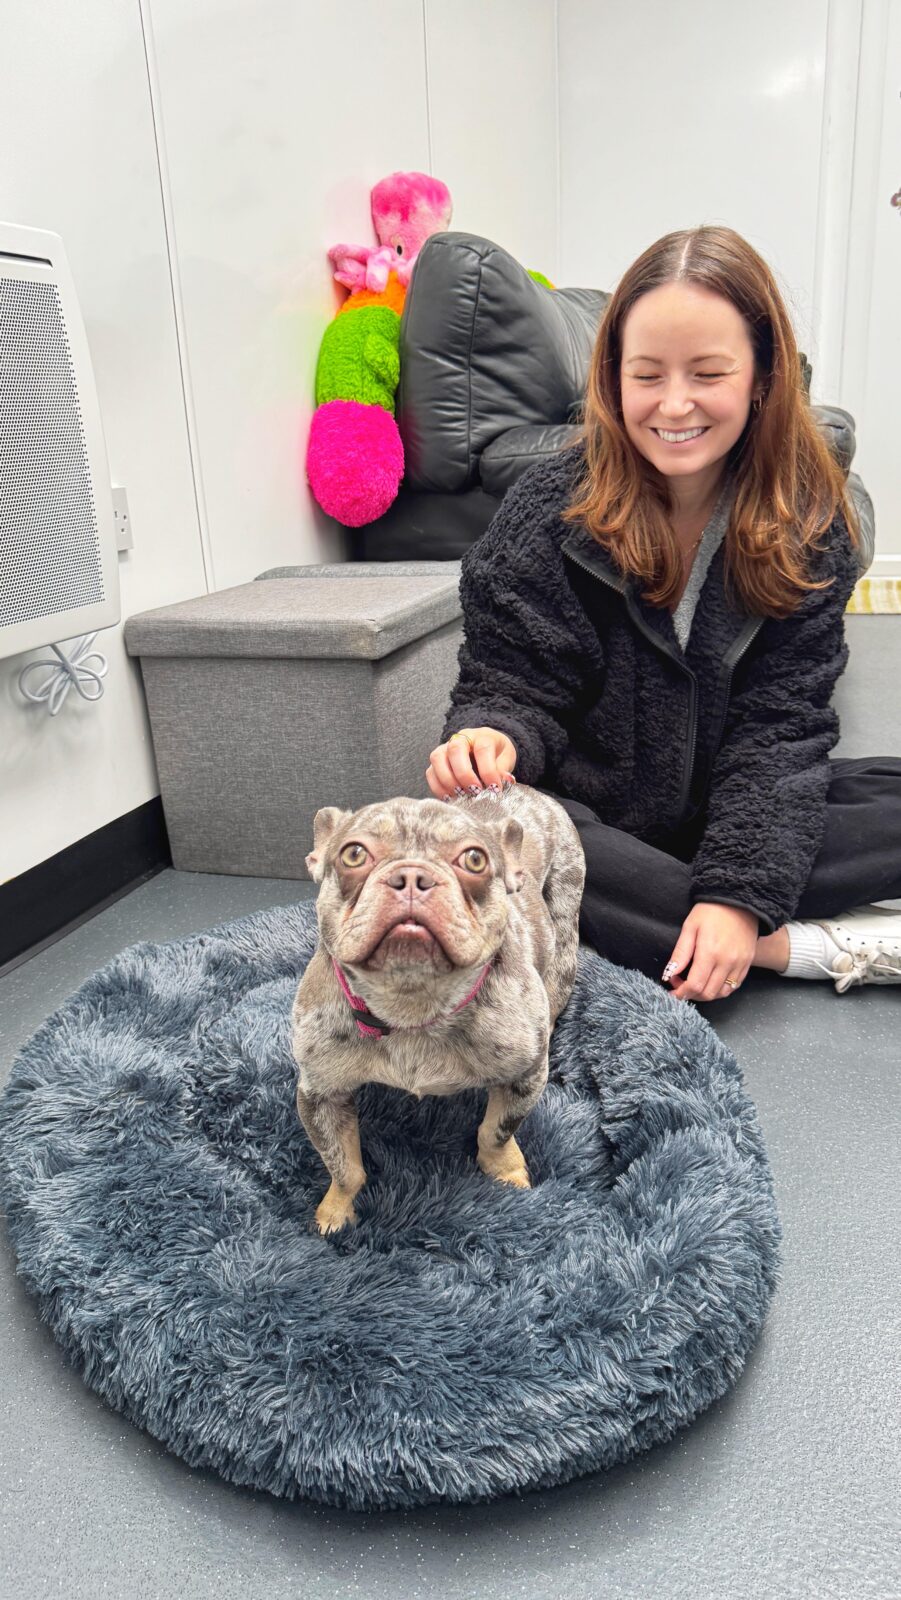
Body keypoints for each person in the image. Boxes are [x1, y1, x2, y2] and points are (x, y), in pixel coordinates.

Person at [424, 225, 901, 1001]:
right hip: (593, 817)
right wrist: (488, 736)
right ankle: (789, 949)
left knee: (825, 800)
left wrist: (735, 889)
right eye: (646, 375)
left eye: (707, 374)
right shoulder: (544, 509)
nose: (674, 405)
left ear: (761, 377)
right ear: (612, 377)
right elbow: (511, 683)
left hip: (726, 805)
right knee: (481, 822)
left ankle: (677, 925)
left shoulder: (810, 524)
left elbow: (781, 729)